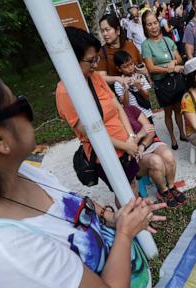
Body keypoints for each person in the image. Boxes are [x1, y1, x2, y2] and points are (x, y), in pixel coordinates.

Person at [0, 65, 167, 287]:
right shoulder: (9, 250)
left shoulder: (20, 172)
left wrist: (111, 217)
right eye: (19, 104)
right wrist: (124, 233)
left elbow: (71, 203)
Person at [56, 27, 141, 195]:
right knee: (125, 192)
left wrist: (131, 138)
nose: (96, 65)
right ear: (71, 59)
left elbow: (118, 107)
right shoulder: (65, 92)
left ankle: (139, 219)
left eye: (97, 59)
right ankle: (133, 220)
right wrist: (127, 146)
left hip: (126, 145)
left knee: (132, 184)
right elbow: (91, 134)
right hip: (107, 154)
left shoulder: (94, 77)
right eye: (91, 60)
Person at [123, 105, 186, 207]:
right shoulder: (113, 122)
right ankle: (163, 191)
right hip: (134, 153)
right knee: (156, 161)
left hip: (148, 144)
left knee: (168, 155)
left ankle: (171, 187)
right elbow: (127, 147)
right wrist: (140, 135)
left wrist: (143, 145)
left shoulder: (130, 109)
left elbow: (151, 130)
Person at [141, 10, 187, 150]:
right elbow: (151, 68)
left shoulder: (167, 40)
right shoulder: (146, 45)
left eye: (155, 23)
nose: (154, 27)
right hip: (162, 84)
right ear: (145, 27)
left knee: (178, 109)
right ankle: (173, 138)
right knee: (168, 112)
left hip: (175, 82)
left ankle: (182, 133)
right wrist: (169, 68)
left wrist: (173, 63)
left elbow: (179, 58)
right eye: (149, 24)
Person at [98, 13, 146, 87]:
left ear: (117, 30)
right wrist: (118, 79)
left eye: (107, 30)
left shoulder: (130, 45)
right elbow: (101, 77)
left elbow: (141, 64)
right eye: (102, 31)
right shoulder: (102, 52)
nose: (105, 34)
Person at [114, 51, 154, 122]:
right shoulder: (118, 83)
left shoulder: (140, 76)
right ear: (119, 69)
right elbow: (125, 105)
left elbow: (147, 97)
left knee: (152, 131)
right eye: (125, 66)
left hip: (146, 112)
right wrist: (125, 89)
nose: (130, 68)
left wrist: (139, 87)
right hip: (133, 116)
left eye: (131, 64)